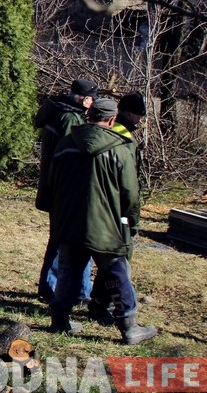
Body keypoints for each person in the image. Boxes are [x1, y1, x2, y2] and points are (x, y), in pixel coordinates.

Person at [48, 97, 159, 344]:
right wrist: (131, 222)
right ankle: (129, 327)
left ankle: (59, 320)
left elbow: (52, 182)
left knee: (69, 270)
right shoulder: (119, 149)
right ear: (111, 119)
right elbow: (130, 193)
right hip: (106, 225)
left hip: (69, 220)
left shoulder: (66, 144)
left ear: (89, 116)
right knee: (117, 272)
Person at [87, 91, 147, 324]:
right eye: (138, 115)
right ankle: (102, 304)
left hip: (103, 205)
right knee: (117, 256)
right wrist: (131, 216)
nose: (140, 120)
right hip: (116, 208)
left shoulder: (108, 130)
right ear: (128, 113)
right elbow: (128, 181)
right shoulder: (123, 137)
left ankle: (96, 302)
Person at [35, 78, 96, 303]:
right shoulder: (70, 119)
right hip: (62, 190)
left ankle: (77, 290)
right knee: (62, 241)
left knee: (63, 239)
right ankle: (50, 288)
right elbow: (73, 155)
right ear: (87, 98)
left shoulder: (59, 111)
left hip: (54, 187)